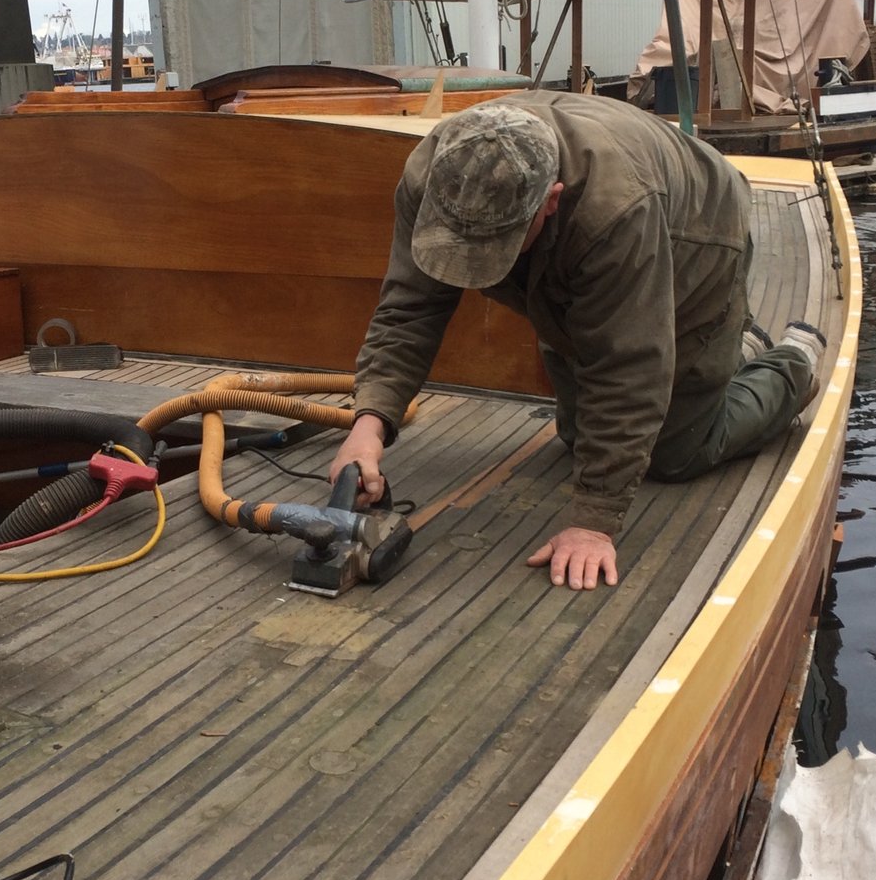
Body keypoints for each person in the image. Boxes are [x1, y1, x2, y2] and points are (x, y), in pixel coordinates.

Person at [330, 92, 825, 592]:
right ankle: (730, 347)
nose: (472, 268)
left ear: (550, 200)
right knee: (579, 434)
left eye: (492, 250)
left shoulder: (615, 210)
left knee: (674, 454)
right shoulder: (437, 174)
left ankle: (790, 364)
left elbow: (629, 367)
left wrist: (594, 522)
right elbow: (410, 306)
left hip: (699, 237)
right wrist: (369, 426)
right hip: (591, 242)